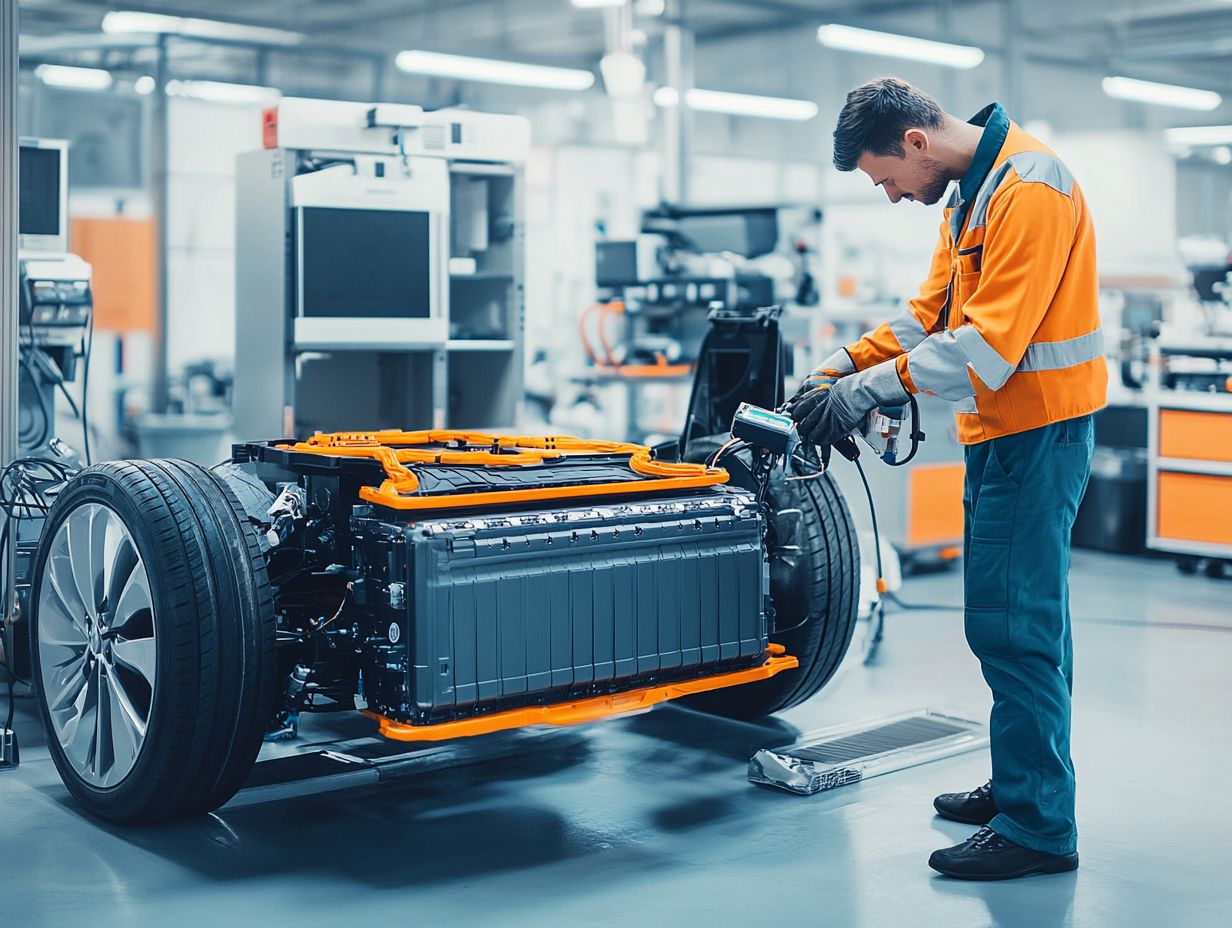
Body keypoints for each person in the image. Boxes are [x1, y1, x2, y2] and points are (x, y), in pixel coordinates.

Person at [791, 77, 1106, 880]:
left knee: (1012, 626)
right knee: (1018, 620)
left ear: (917, 142)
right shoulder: (974, 193)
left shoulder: (1030, 188)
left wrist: (864, 393)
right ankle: (1022, 784)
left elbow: (988, 344)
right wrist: (837, 366)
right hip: (1001, 433)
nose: (894, 197)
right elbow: (928, 315)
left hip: (1037, 435)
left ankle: (1038, 825)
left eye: (888, 179)